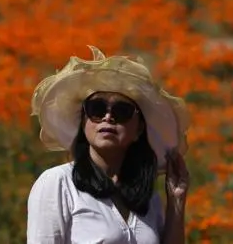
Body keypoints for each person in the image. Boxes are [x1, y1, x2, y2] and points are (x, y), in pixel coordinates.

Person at [27, 46, 191, 244]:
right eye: (96, 109)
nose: (108, 117)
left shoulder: (148, 199)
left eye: (122, 111)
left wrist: (176, 201)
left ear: (139, 129)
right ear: (83, 121)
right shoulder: (58, 183)